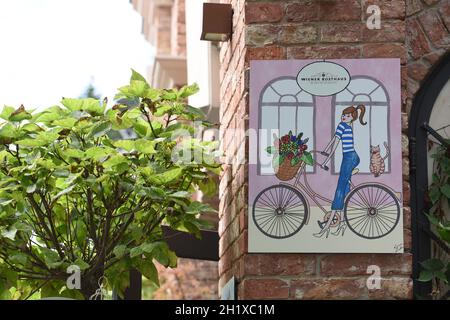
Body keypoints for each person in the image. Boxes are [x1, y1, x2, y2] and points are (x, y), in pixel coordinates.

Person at [314, 104, 367, 238]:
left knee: (339, 188)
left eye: (348, 116)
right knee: (344, 188)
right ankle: (342, 223)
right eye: (343, 115)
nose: (344, 117)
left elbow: (336, 144)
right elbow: (334, 140)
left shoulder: (343, 126)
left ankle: (327, 225)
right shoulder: (345, 125)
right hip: (351, 157)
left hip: (350, 158)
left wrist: (326, 161)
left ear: (352, 118)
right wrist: (324, 150)